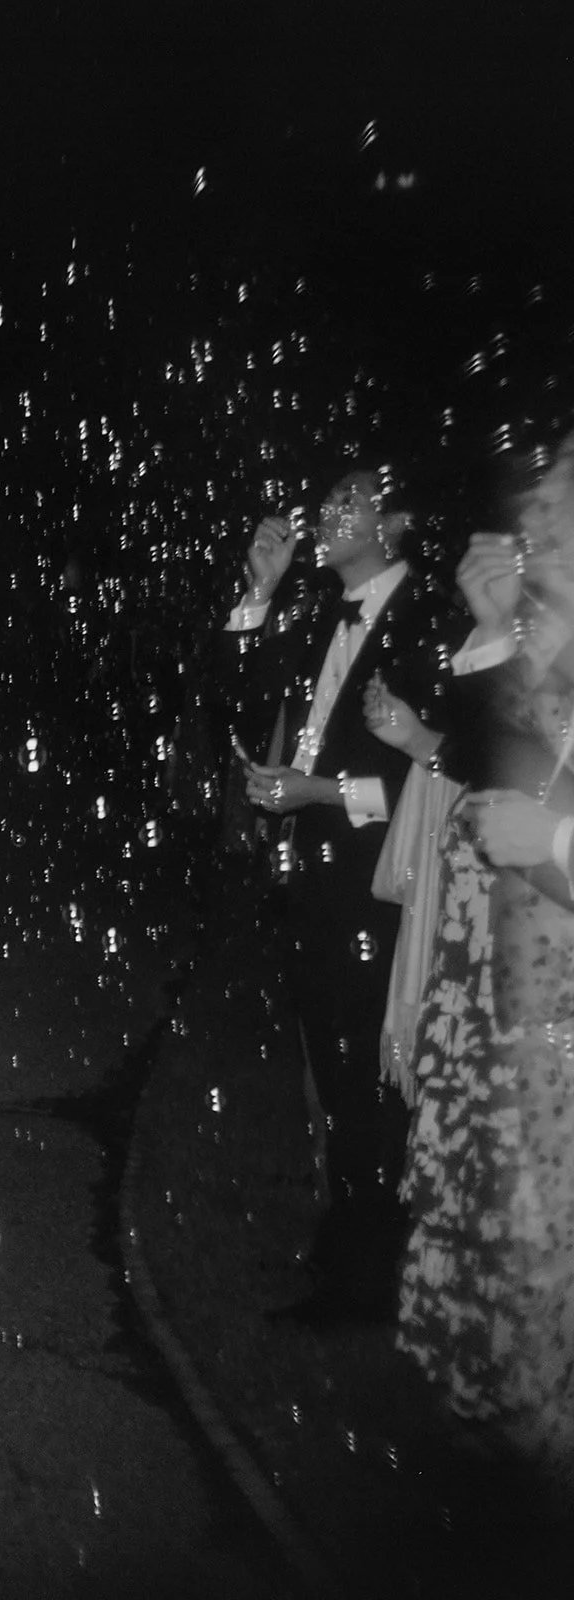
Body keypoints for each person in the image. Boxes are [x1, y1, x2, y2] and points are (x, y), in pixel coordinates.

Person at [223, 465, 457, 1325]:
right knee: (330, 1064)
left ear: (393, 522)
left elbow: (440, 781)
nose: (325, 515)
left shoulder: (430, 620)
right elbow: (244, 710)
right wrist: (260, 590)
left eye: (345, 504)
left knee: (369, 1075)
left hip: (379, 889)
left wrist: (319, 795)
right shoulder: (318, 609)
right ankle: (348, 1235)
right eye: (322, 504)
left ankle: (370, 1270)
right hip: (310, 880)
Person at [396, 433, 574, 1499]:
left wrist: (550, 849)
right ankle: (500, 1409)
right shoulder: (540, 641)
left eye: (557, 511)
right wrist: (489, 623)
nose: (537, 524)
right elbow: (474, 748)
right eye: (537, 507)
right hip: (507, 983)